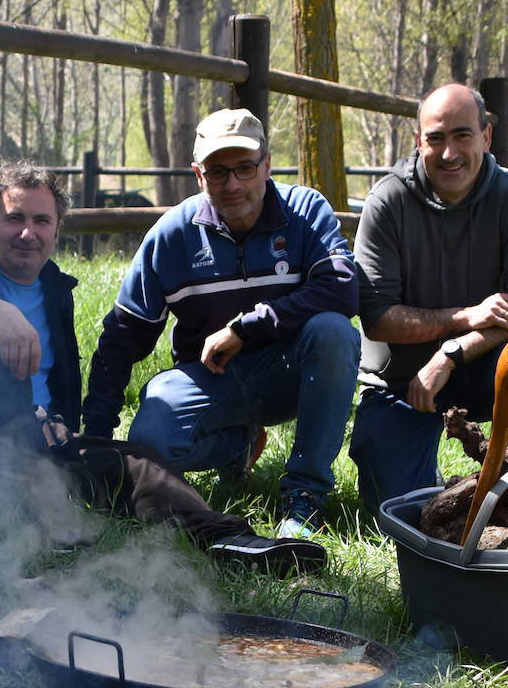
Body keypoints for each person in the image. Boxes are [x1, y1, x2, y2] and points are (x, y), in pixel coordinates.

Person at [0, 160, 325, 574]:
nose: (28, 233)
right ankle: (24, 521)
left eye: (41, 220)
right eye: (14, 219)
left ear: (57, 230)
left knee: (140, 464)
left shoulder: (53, 288)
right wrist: (0, 313)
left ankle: (231, 540)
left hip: (28, 447)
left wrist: (64, 427)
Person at [82, 108, 361, 539]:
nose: (232, 184)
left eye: (245, 168)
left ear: (267, 164)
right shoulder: (171, 234)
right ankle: (238, 444)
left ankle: (305, 496)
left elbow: (343, 289)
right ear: (198, 174)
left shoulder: (306, 210)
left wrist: (245, 328)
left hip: (292, 370)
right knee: (152, 439)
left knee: (335, 331)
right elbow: (123, 336)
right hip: (211, 378)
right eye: (217, 172)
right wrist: (97, 441)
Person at [349, 83, 508, 515]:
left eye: (462, 135)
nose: (449, 153)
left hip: (483, 369)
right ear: (418, 142)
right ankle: (434, 486)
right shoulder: (387, 201)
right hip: (399, 380)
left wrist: (450, 354)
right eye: (436, 138)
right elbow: (378, 318)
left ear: (486, 136)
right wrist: (467, 316)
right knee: (392, 513)